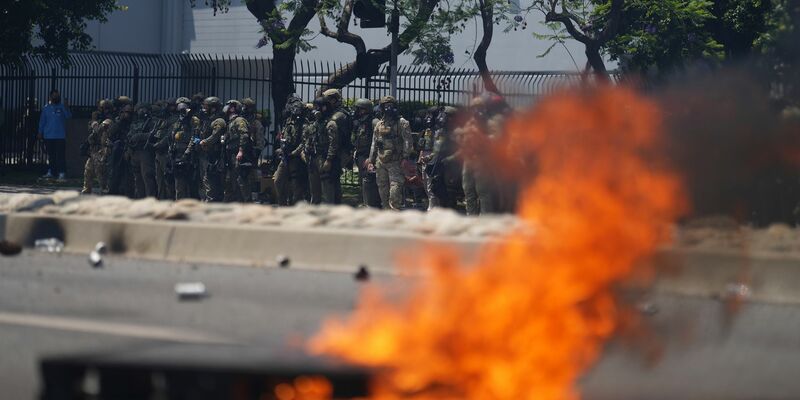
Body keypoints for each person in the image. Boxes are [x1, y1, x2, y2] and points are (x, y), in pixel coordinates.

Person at [366, 96, 412, 210]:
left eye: (391, 105)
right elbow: (374, 143)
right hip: (381, 161)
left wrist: (405, 157)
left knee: (395, 188)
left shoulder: (402, 123)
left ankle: (394, 210)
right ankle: (386, 210)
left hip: (396, 161)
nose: (388, 108)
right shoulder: (379, 124)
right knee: (382, 188)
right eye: (385, 106)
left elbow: (408, 141)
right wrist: (371, 160)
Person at [274, 96, 308, 205]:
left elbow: (304, 142)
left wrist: (293, 153)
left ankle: (295, 206)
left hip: (296, 157)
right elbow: (284, 136)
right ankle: (282, 204)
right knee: (278, 180)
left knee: (296, 185)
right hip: (285, 156)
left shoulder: (304, 123)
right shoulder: (288, 121)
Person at [221, 99, 253, 202]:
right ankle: (237, 202)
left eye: (230, 106)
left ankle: (247, 202)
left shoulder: (239, 120)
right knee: (232, 180)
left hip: (238, 154)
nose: (228, 108)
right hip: (231, 154)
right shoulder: (230, 121)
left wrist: (241, 150)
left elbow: (244, 135)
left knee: (241, 180)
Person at [197, 97, 227, 202]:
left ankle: (211, 202)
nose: (204, 108)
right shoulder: (206, 119)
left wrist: (204, 142)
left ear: (213, 108)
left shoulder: (219, 121)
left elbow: (215, 136)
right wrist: (197, 142)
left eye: (206, 106)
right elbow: (199, 134)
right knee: (204, 179)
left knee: (210, 180)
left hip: (213, 155)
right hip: (204, 153)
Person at [126, 102, 160, 198]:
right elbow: (129, 135)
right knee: (137, 178)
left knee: (147, 176)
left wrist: (141, 136)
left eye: (143, 109)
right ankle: (141, 197)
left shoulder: (153, 121)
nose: (140, 111)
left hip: (145, 152)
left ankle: (150, 198)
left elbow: (155, 135)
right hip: (134, 152)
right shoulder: (135, 122)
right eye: (139, 109)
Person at [351, 98, 380, 208]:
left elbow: (377, 140)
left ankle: (371, 204)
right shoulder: (359, 121)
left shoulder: (373, 122)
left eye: (359, 109)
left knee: (369, 179)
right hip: (360, 154)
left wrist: (371, 158)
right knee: (362, 179)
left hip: (369, 154)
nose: (357, 111)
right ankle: (365, 202)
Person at [38, 90, 71, 181]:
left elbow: (68, 116)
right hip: (48, 135)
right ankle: (51, 172)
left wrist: (66, 107)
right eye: (54, 96)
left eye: (57, 96)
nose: (56, 97)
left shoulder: (61, 107)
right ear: (50, 97)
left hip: (60, 135)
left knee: (60, 155)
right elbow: (42, 121)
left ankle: (62, 173)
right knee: (51, 155)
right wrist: (40, 132)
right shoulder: (46, 108)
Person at [81, 99, 112, 194]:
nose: (102, 110)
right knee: (88, 169)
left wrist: (100, 125)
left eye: (104, 108)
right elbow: (92, 128)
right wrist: (94, 122)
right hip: (94, 148)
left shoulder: (109, 119)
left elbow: (102, 129)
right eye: (101, 108)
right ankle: (87, 188)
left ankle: (104, 188)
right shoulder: (96, 119)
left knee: (100, 170)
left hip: (103, 148)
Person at [171, 97, 199, 200]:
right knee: (179, 184)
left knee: (192, 183)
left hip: (189, 155)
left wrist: (189, 151)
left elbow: (196, 137)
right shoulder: (178, 120)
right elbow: (173, 136)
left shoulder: (193, 120)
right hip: (178, 154)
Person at [152, 99, 178, 200]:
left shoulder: (175, 119)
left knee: (168, 179)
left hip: (166, 153)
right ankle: (161, 199)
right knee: (159, 180)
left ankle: (169, 200)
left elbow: (169, 136)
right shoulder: (162, 120)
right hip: (158, 153)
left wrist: (159, 144)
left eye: (170, 106)